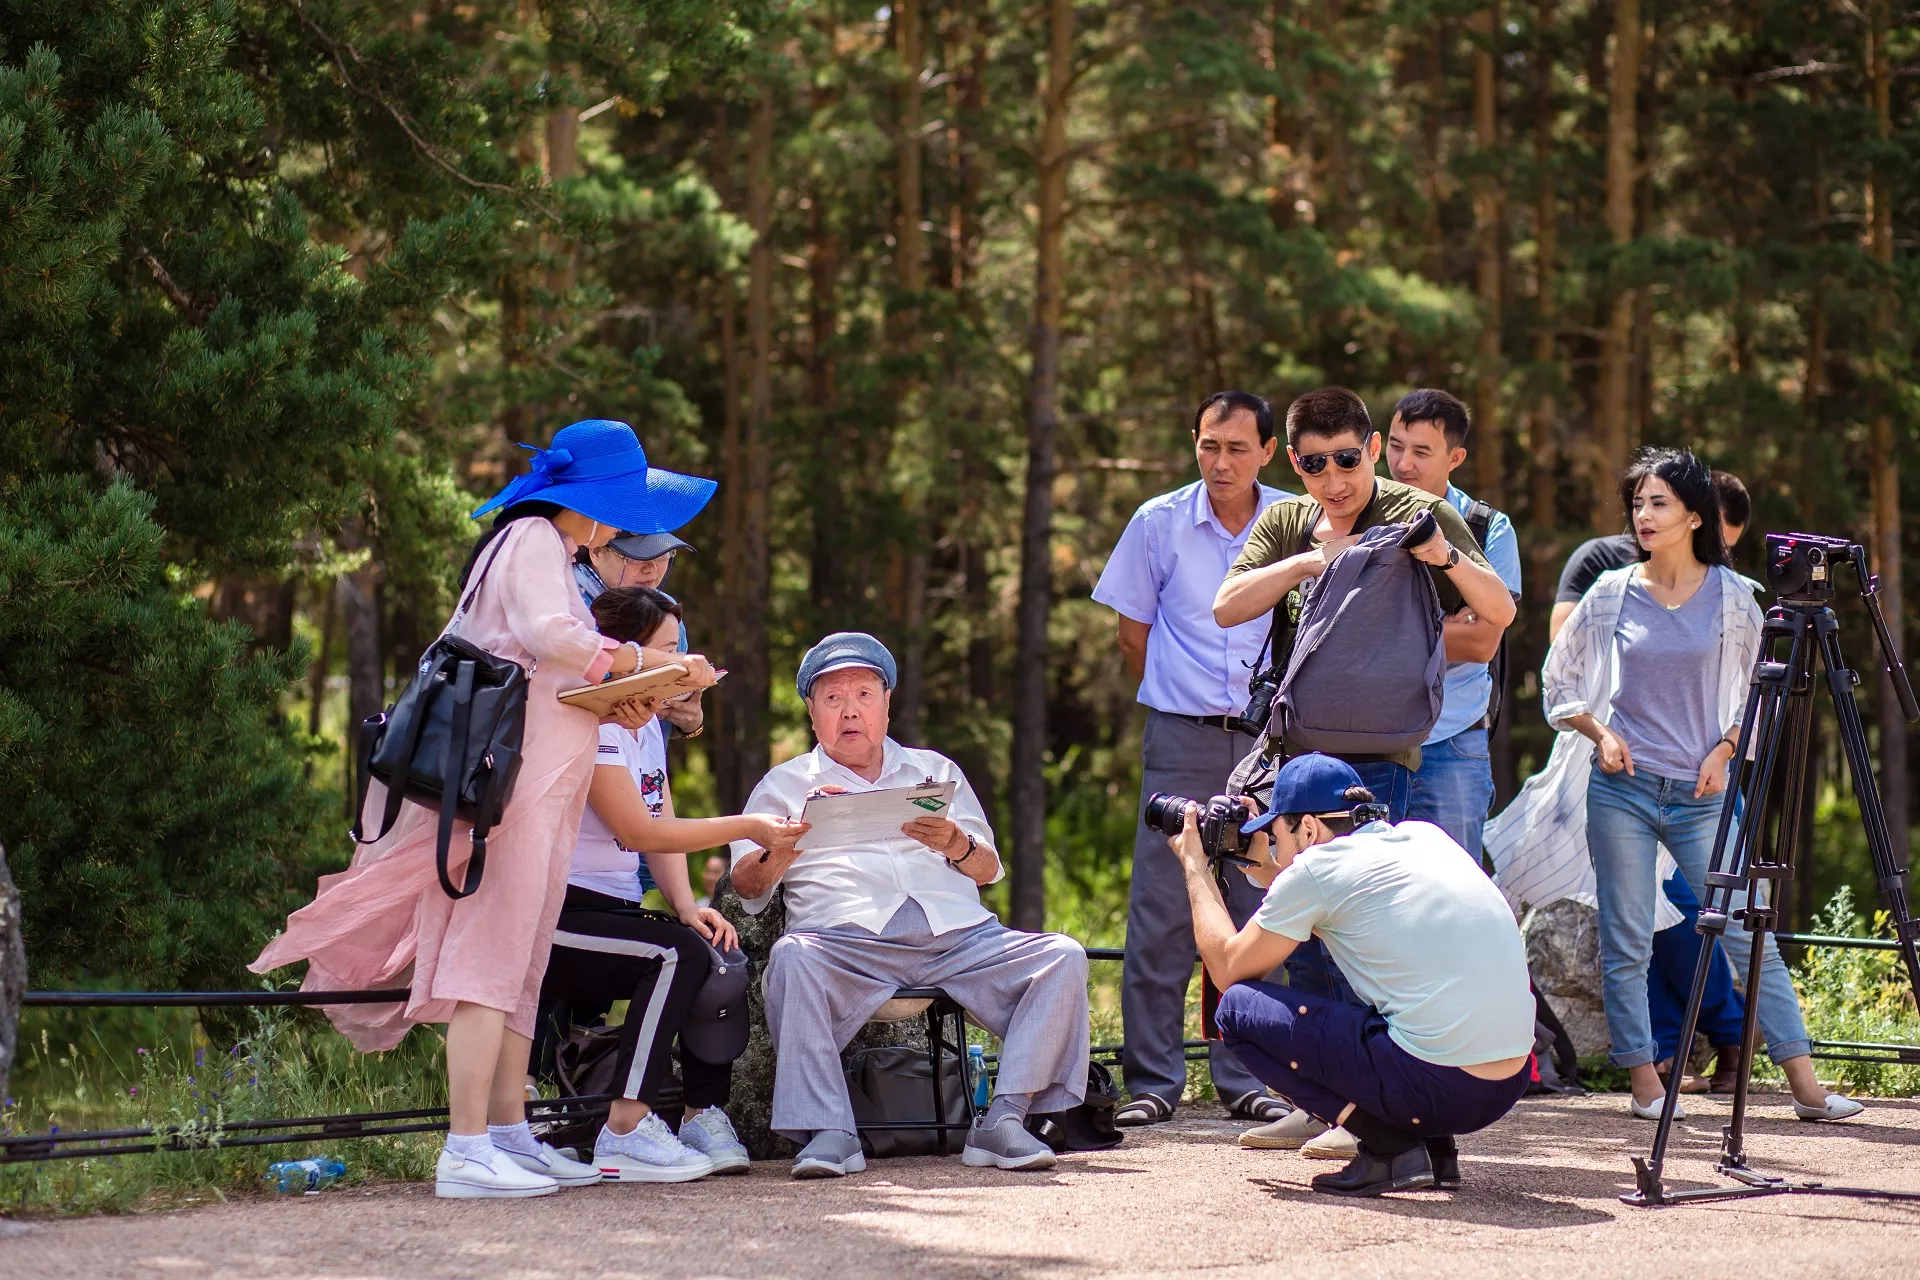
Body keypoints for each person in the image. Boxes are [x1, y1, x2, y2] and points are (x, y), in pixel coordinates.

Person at [251, 419, 719, 1199]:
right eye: (618, 506)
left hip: (539, 788)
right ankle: (466, 1147)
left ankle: (507, 1131)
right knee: (489, 962)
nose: (620, 526)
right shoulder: (533, 539)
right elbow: (549, 635)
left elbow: (545, 675)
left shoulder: (551, 550)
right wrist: (646, 661)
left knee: (521, 966)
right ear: (591, 500)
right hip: (513, 794)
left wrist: (622, 698)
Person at [1547, 447, 1858, 1122]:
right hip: (1623, 792)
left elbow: (1760, 696)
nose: (1643, 515)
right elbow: (1557, 679)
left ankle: (1807, 1089)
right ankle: (1646, 1086)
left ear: (1694, 516)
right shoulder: (1611, 592)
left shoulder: (1735, 598)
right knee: (1628, 941)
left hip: (1704, 797)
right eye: (1637, 503)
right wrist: (1599, 733)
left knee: (1750, 936)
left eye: (1658, 503)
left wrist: (1726, 747)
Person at [730, 632, 1091, 1179]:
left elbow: (988, 870)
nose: (850, 711)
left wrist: (955, 843)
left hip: (958, 939)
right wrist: (787, 842)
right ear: (812, 712)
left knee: (1062, 956)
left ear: (886, 703)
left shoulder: (935, 770)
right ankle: (830, 1132)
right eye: (833, 699)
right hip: (847, 945)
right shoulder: (785, 784)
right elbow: (747, 887)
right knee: (792, 956)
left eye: (864, 695)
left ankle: (1004, 1119)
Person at [1166, 753, 1534, 1197]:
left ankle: (1391, 1148)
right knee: (1414, 1004)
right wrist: (1264, 864)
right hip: (1506, 1085)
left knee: (1238, 1010)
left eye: (1276, 835)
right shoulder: (1426, 837)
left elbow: (1228, 969)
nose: (1275, 848)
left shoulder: (1317, 871)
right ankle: (1437, 1152)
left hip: (1439, 1088)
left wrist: (1195, 865)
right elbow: (1325, 894)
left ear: (1308, 829)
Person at [535, 586, 805, 1181]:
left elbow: (660, 815)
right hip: (553, 914)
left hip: (613, 909)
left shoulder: (647, 726)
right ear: (626, 654)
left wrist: (687, 906)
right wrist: (750, 826)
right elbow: (640, 831)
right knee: (673, 954)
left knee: (715, 954)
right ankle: (626, 1128)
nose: (680, 662)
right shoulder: (593, 721)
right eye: (666, 650)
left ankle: (701, 1115)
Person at [1089, 390, 1292, 1128]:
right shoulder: (1159, 522)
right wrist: (1185, 700)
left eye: (1238, 448)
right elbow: (1131, 635)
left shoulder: (1294, 522)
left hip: (1270, 744)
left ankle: (1252, 1078)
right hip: (1181, 736)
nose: (1221, 462)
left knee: (1259, 908)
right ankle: (1152, 1082)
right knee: (1164, 910)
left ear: (1268, 453)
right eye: (1209, 446)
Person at [1382, 389, 1522, 860]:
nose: (1404, 464)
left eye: (1421, 452)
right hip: (1366, 745)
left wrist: (1379, 633)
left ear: (1455, 458)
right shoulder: (1355, 514)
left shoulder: (1486, 528)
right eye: (1396, 446)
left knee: (1454, 891)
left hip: (1452, 744)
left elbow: (1482, 642)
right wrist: (1446, 624)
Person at [1550, 471, 1750, 643]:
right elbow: (1563, 651)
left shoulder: (1724, 588)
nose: (1715, 552)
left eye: (1725, 548)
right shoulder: (1598, 559)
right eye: (1712, 538)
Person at [575, 530, 704, 738]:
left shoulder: (665, 608)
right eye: (635, 556)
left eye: (663, 553)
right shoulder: (568, 606)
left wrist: (690, 722)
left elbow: (663, 719)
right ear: (596, 550)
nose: (651, 568)